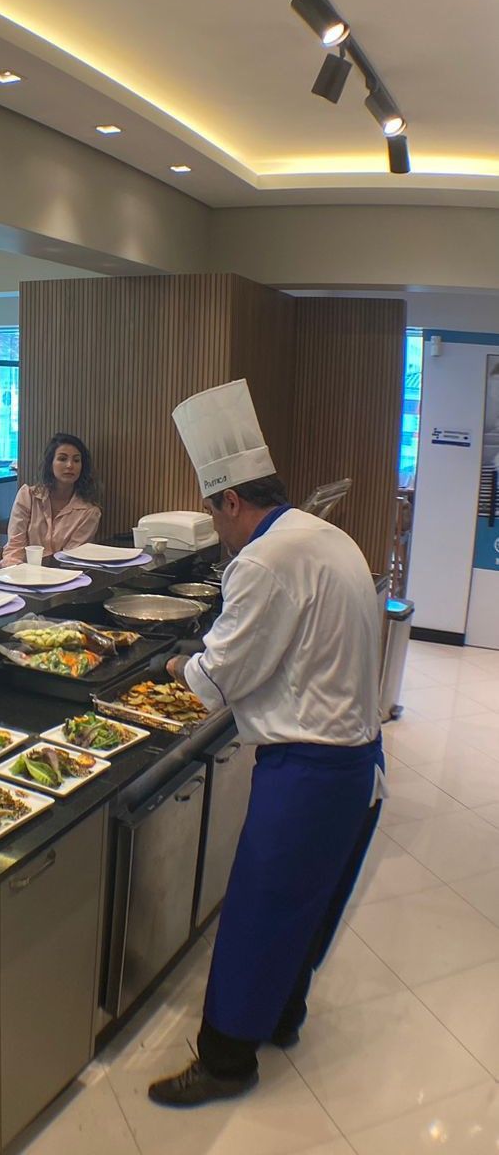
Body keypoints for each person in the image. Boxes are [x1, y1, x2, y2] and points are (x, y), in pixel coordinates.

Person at [148, 379, 385, 1107]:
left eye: (212, 510)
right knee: (304, 905)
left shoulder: (263, 559)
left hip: (309, 769)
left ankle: (224, 1063)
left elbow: (218, 678)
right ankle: (281, 1018)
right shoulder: (323, 535)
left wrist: (175, 662)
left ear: (230, 501)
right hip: (357, 761)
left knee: (257, 911)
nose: (217, 528)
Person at [0, 433, 101, 566]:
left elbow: (70, 559)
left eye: (76, 460)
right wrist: (15, 572)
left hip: (63, 579)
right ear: (50, 463)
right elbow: (14, 548)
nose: (70, 465)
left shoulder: (89, 512)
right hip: (22, 575)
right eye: (62, 459)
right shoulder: (28, 496)